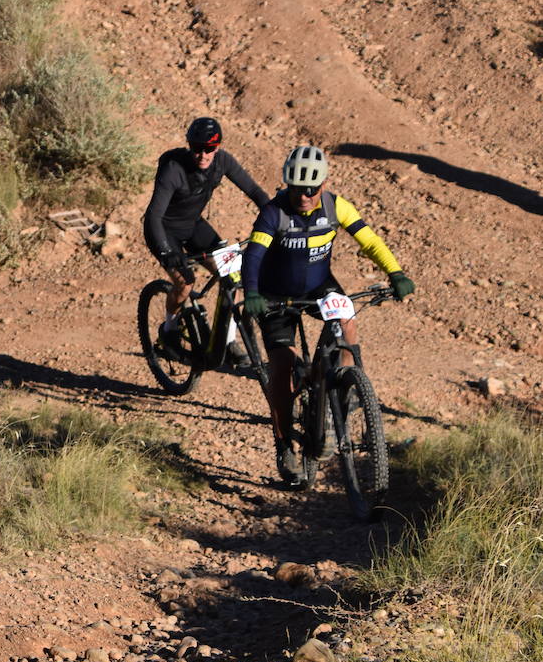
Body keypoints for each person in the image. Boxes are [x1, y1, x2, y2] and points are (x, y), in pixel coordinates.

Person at [241, 145, 415, 482]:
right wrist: (251, 293)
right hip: (274, 295)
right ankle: (285, 444)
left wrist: (395, 272)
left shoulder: (337, 206)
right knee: (283, 366)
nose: (304, 196)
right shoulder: (273, 213)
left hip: (318, 287)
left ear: (323, 184)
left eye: (311, 189)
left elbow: (370, 241)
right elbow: (254, 255)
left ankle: (343, 389)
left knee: (347, 322)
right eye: (296, 188)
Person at [143, 117, 269, 361]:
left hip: (193, 225)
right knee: (185, 283)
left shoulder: (223, 161)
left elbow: (254, 191)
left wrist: (276, 218)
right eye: (197, 148)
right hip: (163, 230)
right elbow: (154, 216)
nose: (202, 155)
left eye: (209, 149)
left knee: (234, 275)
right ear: (189, 146)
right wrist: (167, 252)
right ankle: (169, 331)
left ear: (217, 147)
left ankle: (229, 342)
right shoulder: (173, 170)